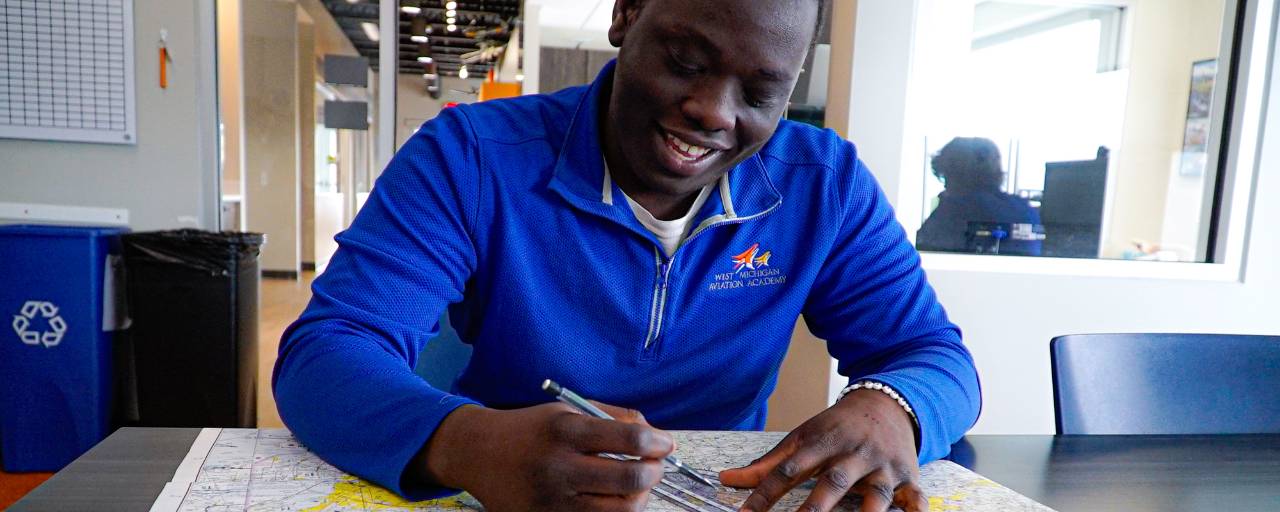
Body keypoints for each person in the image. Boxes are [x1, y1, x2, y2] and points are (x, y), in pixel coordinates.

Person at [273, 1, 980, 511]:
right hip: (514, 491)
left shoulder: (824, 186)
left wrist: (895, 406)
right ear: (625, 15)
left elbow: (933, 357)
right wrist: (467, 444)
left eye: (762, 91)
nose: (715, 111)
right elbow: (327, 354)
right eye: (686, 62)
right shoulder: (471, 157)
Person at [916, 137, 1042, 256]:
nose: (945, 186)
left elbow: (920, 254)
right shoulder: (1024, 209)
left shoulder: (955, 209)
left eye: (946, 176)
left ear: (955, 173)